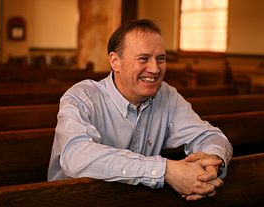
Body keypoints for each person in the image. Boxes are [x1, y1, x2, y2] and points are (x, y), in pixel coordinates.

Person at [48, 19, 233, 201]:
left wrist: (213, 162)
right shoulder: (82, 97)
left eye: (161, 59)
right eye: (143, 59)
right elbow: (76, 156)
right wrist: (166, 171)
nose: (154, 69)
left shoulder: (166, 96)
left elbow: (209, 136)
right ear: (115, 61)